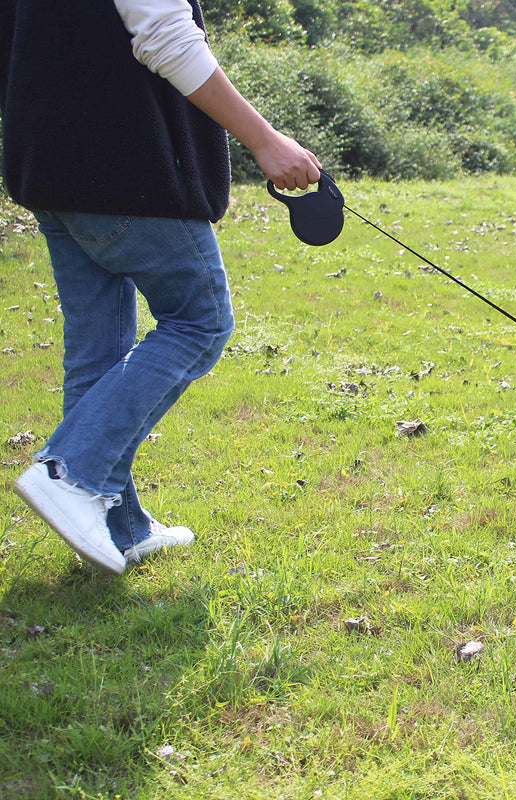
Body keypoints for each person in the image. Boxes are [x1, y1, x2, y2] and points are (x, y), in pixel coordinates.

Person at [0, 0, 321, 575]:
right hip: (129, 171)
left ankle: (120, 529)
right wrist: (266, 140)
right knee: (200, 322)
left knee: (97, 354)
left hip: (49, 169)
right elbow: (166, 36)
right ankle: (70, 476)